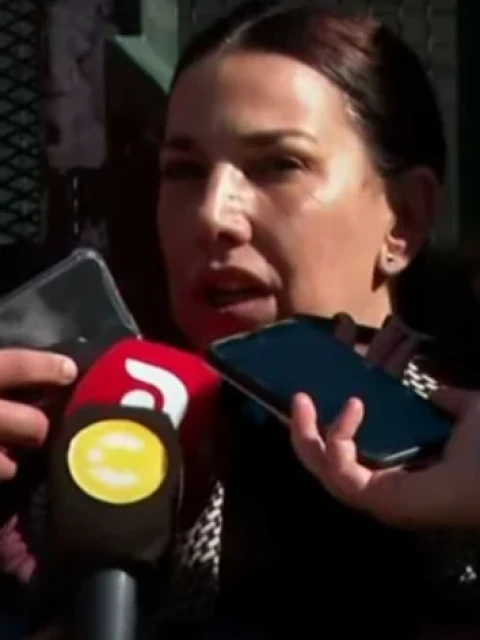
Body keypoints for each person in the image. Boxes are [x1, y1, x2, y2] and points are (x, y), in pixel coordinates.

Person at [1, 1, 480, 637]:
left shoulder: (464, 481)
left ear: (405, 219)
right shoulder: (81, 446)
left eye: (279, 165)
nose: (212, 214)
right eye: (184, 170)